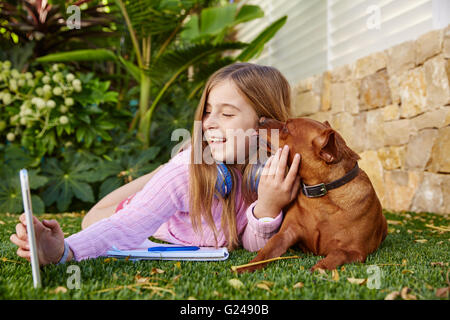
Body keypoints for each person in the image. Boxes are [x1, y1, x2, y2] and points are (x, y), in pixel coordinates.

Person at [10, 62, 302, 266]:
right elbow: (124, 226)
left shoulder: (268, 172)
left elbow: (250, 242)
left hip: (178, 186)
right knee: (92, 218)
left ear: (266, 125)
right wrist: (64, 251)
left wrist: (268, 207)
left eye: (226, 115)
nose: (210, 122)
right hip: (157, 211)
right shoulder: (185, 174)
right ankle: (161, 169)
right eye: (208, 112)